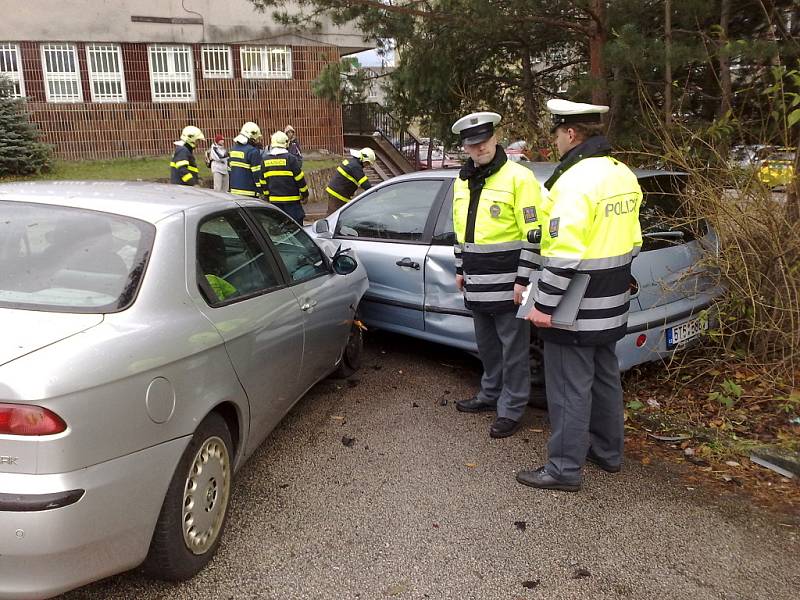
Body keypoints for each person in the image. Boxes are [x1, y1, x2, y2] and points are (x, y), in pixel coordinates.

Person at [517, 99, 643, 492]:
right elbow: (634, 242)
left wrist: (542, 305)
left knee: (569, 387)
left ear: (571, 133)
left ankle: (564, 469)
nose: (555, 141)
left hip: (575, 306)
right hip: (612, 302)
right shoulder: (623, 174)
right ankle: (608, 453)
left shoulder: (573, 181)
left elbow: (563, 254)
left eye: (556, 133)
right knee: (605, 378)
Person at [451, 112, 543, 439]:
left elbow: (535, 233)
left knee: (514, 351)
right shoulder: (462, 181)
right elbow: (460, 232)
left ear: (495, 138)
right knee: (487, 347)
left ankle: (512, 408)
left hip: (509, 284)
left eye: (485, 142)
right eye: (473, 145)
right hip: (476, 282)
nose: (480, 149)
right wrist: (461, 269)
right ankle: (489, 395)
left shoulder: (519, 178)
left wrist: (524, 279)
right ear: (465, 147)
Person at [263, 130, 309, 223]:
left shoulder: (265, 160)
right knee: (295, 228)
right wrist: (305, 195)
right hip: (292, 202)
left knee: (279, 229)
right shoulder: (291, 159)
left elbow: (263, 181)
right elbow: (299, 179)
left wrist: (267, 196)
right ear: (286, 143)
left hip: (275, 203)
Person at [324, 148, 375, 215]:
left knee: (336, 215)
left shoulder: (352, 163)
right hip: (338, 195)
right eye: (367, 163)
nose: (367, 165)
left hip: (336, 192)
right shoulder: (356, 167)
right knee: (333, 217)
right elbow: (365, 184)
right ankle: (323, 225)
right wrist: (375, 193)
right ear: (363, 159)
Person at [229, 122, 264, 198]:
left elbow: (229, 171)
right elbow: (257, 174)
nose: (258, 141)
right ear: (252, 138)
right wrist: (261, 190)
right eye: (256, 139)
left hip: (234, 192)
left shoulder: (233, 150)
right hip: (250, 193)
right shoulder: (253, 152)